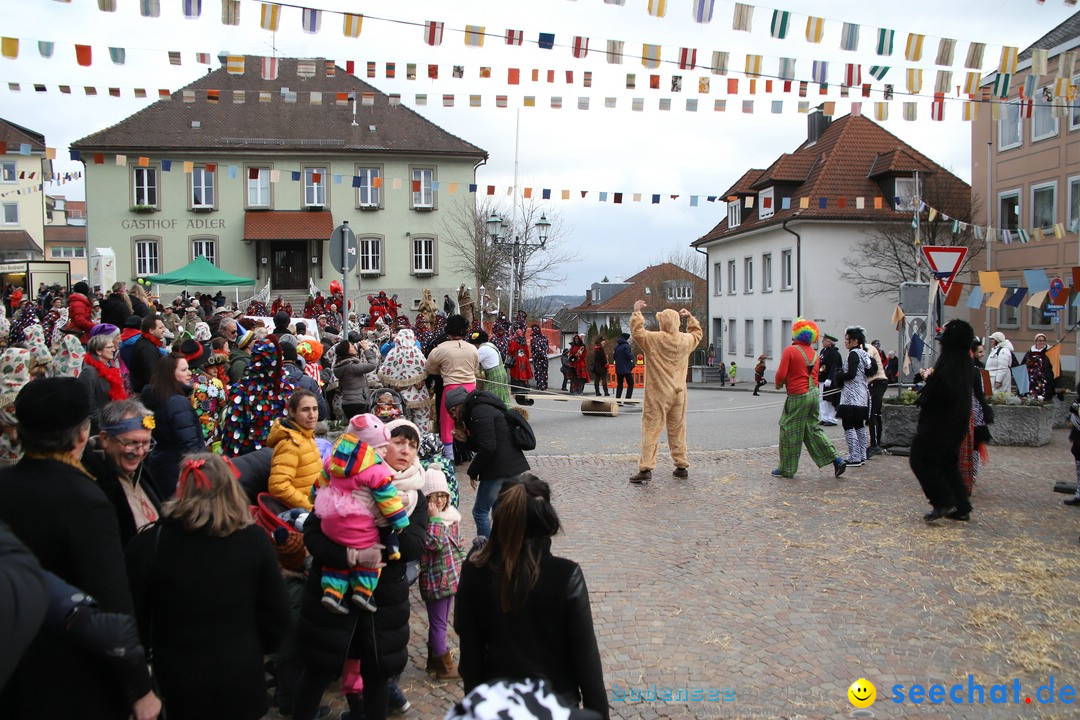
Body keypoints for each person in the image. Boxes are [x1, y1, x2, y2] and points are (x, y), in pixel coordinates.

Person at [0, 377, 159, 719]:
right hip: (71, 666)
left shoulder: (5, 485)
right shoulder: (86, 499)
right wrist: (138, 686)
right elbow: (112, 601)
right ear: (83, 434)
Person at [126, 453, 291, 720]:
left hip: (176, 677)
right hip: (240, 670)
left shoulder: (149, 544)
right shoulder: (252, 541)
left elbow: (134, 617)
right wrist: (260, 647)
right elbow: (276, 612)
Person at [293, 421, 429, 720]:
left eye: (412, 445)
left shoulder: (414, 495)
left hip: (382, 605)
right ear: (379, 445)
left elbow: (414, 547)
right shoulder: (341, 479)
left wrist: (387, 519)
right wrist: (350, 554)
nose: (405, 450)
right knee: (318, 671)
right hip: (332, 597)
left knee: (377, 677)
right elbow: (313, 536)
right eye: (398, 441)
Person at [455, 474, 608, 718]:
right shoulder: (564, 576)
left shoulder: (475, 569)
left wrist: (476, 708)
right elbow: (587, 664)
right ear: (545, 517)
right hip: (556, 706)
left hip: (496, 706)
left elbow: (470, 658)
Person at [312, 414, 410, 614]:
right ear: (370, 447)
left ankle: (332, 591)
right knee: (371, 548)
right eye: (383, 447)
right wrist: (399, 521)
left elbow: (317, 487)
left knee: (335, 560)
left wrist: (314, 500)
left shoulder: (332, 461)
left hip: (331, 527)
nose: (385, 450)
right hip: (358, 530)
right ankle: (363, 591)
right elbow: (388, 500)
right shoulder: (376, 471)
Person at [627, 300, 702, 484]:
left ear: (663, 323)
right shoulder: (685, 340)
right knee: (678, 429)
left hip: (659, 392)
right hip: (679, 392)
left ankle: (646, 468)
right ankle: (681, 465)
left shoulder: (655, 339)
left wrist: (637, 312)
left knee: (651, 428)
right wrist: (690, 318)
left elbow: (637, 332)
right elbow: (697, 334)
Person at [910, 319, 976, 522]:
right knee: (947, 463)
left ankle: (942, 500)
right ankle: (962, 505)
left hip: (941, 423)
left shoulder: (954, 361)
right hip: (954, 422)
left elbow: (946, 390)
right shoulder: (961, 359)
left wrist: (930, 381)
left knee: (921, 459)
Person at [446, 387, 531, 538]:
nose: (453, 415)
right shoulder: (478, 409)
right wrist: (466, 439)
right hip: (506, 465)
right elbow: (485, 441)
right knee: (499, 510)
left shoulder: (478, 411)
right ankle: (501, 547)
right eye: (450, 413)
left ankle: (485, 549)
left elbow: (488, 447)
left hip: (500, 467)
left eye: (453, 410)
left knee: (480, 512)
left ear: (460, 404)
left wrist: (473, 471)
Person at [81, 399, 162, 548]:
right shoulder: (93, 482)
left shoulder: (140, 472)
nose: (139, 452)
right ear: (105, 439)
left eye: (146, 443)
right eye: (131, 443)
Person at [772, 319, 846, 479]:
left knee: (789, 430)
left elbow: (781, 375)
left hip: (798, 395)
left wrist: (778, 384)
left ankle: (787, 469)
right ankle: (836, 459)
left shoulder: (790, 351)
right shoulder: (814, 353)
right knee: (813, 429)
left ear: (796, 334)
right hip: (813, 394)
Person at [419, 465, 464, 680]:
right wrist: (435, 519)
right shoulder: (428, 522)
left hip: (451, 580)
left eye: (443, 496)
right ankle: (443, 666)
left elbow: (457, 548)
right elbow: (433, 544)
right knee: (438, 624)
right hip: (435, 581)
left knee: (442, 621)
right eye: (434, 497)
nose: (439, 502)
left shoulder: (451, 518)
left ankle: (433, 661)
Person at [141, 353, 205, 499]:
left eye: (188, 369)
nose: (189, 373)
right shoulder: (177, 403)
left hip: (160, 467)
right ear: (170, 374)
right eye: (183, 370)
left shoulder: (157, 397)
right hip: (178, 472)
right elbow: (191, 447)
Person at [220, 338, 296, 457]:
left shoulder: (287, 385)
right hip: (253, 458)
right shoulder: (243, 389)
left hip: (286, 454)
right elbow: (233, 432)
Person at [425, 314, 479, 461]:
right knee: (470, 420)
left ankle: (449, 457)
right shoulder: (472, 349)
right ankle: (473, 450)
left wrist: (443, 372)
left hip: (450, 387)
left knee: (447, 422)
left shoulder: (440, 349)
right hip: (470, 387)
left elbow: (430, 368)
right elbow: (475, 368)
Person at [267, 389, 323, 511]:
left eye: (315, 409)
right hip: (305, 513)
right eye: (305, 410)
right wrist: (310, 507)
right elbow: (278, 486)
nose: (312, 415)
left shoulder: (305, 435)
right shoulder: (290, 444)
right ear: (292, 412)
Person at [377, 328, 433, 431]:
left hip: (399, 394)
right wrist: (419, 380)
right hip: (419, 393)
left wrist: (395, 382)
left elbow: (383, 373)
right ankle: (422, 442)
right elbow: (426, 369)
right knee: (421, 421)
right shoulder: (417, 352)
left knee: (403, 423)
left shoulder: (393, 353)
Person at [835, 327, 875, 468]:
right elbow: (870, 371)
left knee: (848, 425)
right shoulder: (864, 354)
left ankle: (854, 456)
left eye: (847, 340)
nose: (845, 342)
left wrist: (839, 375)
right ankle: (862, 454)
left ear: (855, 341)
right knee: (859, 425)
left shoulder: (853, 354)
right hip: (863, 395)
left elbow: (851, 374)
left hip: (851, 396)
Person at [79, 324, 126, 432]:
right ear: (99, 351)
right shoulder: (89, 372)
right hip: (99, 429)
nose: (113, 349)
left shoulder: (107, 367)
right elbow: (89, 405)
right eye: (109, 347)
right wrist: (103, 424)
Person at [334, 336, 380, 419]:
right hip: (357, 403)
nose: (353, 346)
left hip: (348, 401)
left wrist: (358, 346)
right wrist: (366, 349)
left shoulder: (341, 365)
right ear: (346, 351)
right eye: (351, 346)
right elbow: (372, 365)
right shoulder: (351, 367)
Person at [281, 342, 329, 421]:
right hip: (302, 429)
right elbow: (321, 412)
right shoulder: (309, 381)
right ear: (295, 359)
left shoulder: (268, 380)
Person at [470, 329, 513, 409]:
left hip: (494, 375)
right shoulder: (490, 345)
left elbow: (473, 363)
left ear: (477, 343)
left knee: (492, 397)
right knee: (502, 397)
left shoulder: (483, 349)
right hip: (500, 373)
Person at [128, 314, 167, 395]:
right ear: (151, 331)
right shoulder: (147, 349)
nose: (164, 330)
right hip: (147, 394)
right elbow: (152, 376)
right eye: (160, 328)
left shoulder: (145, 342)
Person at [817, 334, 842, 426]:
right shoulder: (823, 351)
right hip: (821, 378)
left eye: (824, 340)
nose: (822, 342)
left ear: (829, 342)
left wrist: (830, 378)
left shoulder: (834, 353)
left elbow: (834, 367)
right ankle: (824, 417)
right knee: (822, 399)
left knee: (830, 399)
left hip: (829, 380)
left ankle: (832, 419)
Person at [1023, 332, 1056, 401]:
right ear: (1036, 341)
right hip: (1031, 380)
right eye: (1040, 340)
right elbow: (1024, 364)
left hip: (1045, 379)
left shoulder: (1050, 352)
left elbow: (1055, 367)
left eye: (1043, 340)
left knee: (1043, 398)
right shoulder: (1030, 352)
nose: (1042, 342)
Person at [64, 280, 96, 345]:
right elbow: (80, 321)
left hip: (80, 332)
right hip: (80, 334)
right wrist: (95, 326)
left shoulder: (78, 301)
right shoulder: (79, 302)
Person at [529, 324, 550, 391]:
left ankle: (540, 385)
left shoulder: (534, 339)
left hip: (538, 358)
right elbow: (546, 347)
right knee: (544, 372)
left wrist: (540, 354)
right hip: (544, 358)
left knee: (539, 372)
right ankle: (544, 385)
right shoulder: (544, 337)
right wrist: (544, 354)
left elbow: (536, 349)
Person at [613, 333, 634, 399]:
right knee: (630, 383)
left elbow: (614, 357)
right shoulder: (626, 346)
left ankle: (618, 399)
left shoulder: (617, 347)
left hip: (618, 368)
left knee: (620, 384)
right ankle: (628, 399)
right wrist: (632, 357)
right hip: (626, 368)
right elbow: (628, 355)